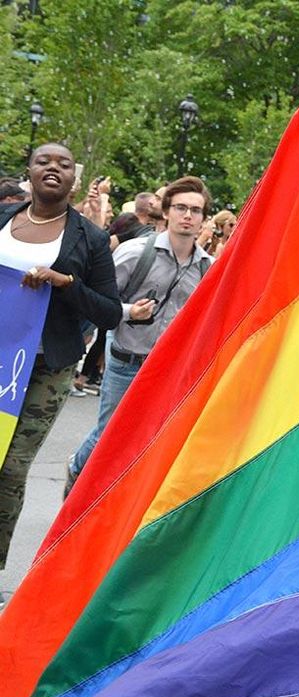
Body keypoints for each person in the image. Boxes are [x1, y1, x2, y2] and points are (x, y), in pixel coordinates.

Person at [0, 143, 121, 586]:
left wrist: (65, 283)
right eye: (44, 161)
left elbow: (110, 311)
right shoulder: (4, 218)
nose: (53, 168)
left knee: (10, 467)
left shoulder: (87, 238)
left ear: (74, 178)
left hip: (45, 368)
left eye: (64, 164)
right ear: (28, 171)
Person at [65, 176, 214, 495]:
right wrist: (130, 311)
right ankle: (78, 469)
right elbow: (100, 302)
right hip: (126, 361)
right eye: (181, 208)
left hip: (170, 369)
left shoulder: (208, 268)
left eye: (196, 210)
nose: (188, 215)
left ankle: (112, 501)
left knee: (150, 438)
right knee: (110, 435)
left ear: (203, 218)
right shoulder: (135, 253)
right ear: (167, 212)